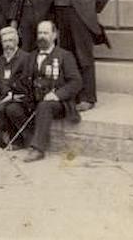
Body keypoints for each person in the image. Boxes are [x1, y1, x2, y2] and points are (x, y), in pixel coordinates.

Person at [49, 0, 113, 111]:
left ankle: (88, 97)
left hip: (80, 17)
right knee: (67, 56)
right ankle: (73, 94)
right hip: (61, 15)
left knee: (84, 56)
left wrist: (89, 9)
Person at [22, 21, 83, 162]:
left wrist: (56, 95)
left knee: (45, 105)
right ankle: (27, 139)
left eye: (45, 33)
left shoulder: (64, 56)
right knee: (14, 107)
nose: (41, 36)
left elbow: (76, 82)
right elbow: (24, 80)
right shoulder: (31, 56)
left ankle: (38, 149)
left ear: (54, 35)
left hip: (58, 103)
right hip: (35, 99)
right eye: (39, 33)